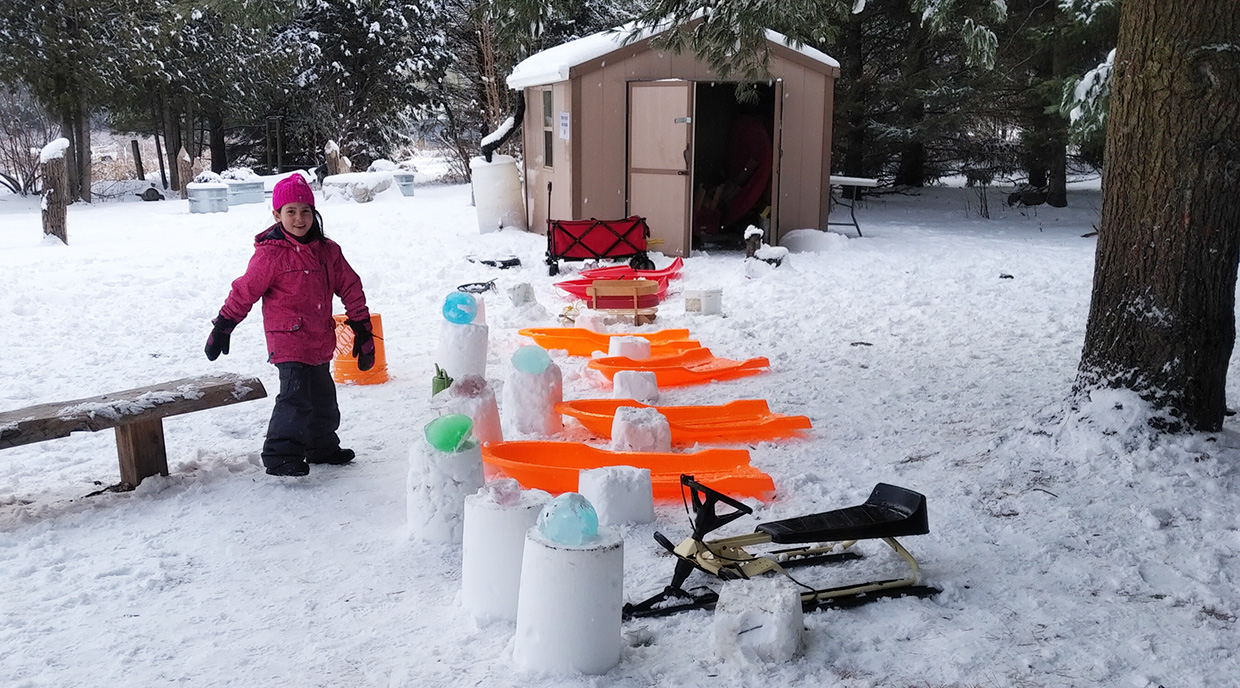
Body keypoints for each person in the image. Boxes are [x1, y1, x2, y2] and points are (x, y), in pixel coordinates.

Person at [204, 173, 375, 477]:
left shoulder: (328, 252)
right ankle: (280, 453)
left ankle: (320, 445)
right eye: (291, 212)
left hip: (320, 338)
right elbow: (246, 290)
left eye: (306, 211)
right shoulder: (271, 255)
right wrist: (224, 324)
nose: (299, 219)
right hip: (288, 341)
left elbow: (351, 286)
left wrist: (362, 326)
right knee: (295, 398)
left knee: (323, 397)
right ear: (277, 215)